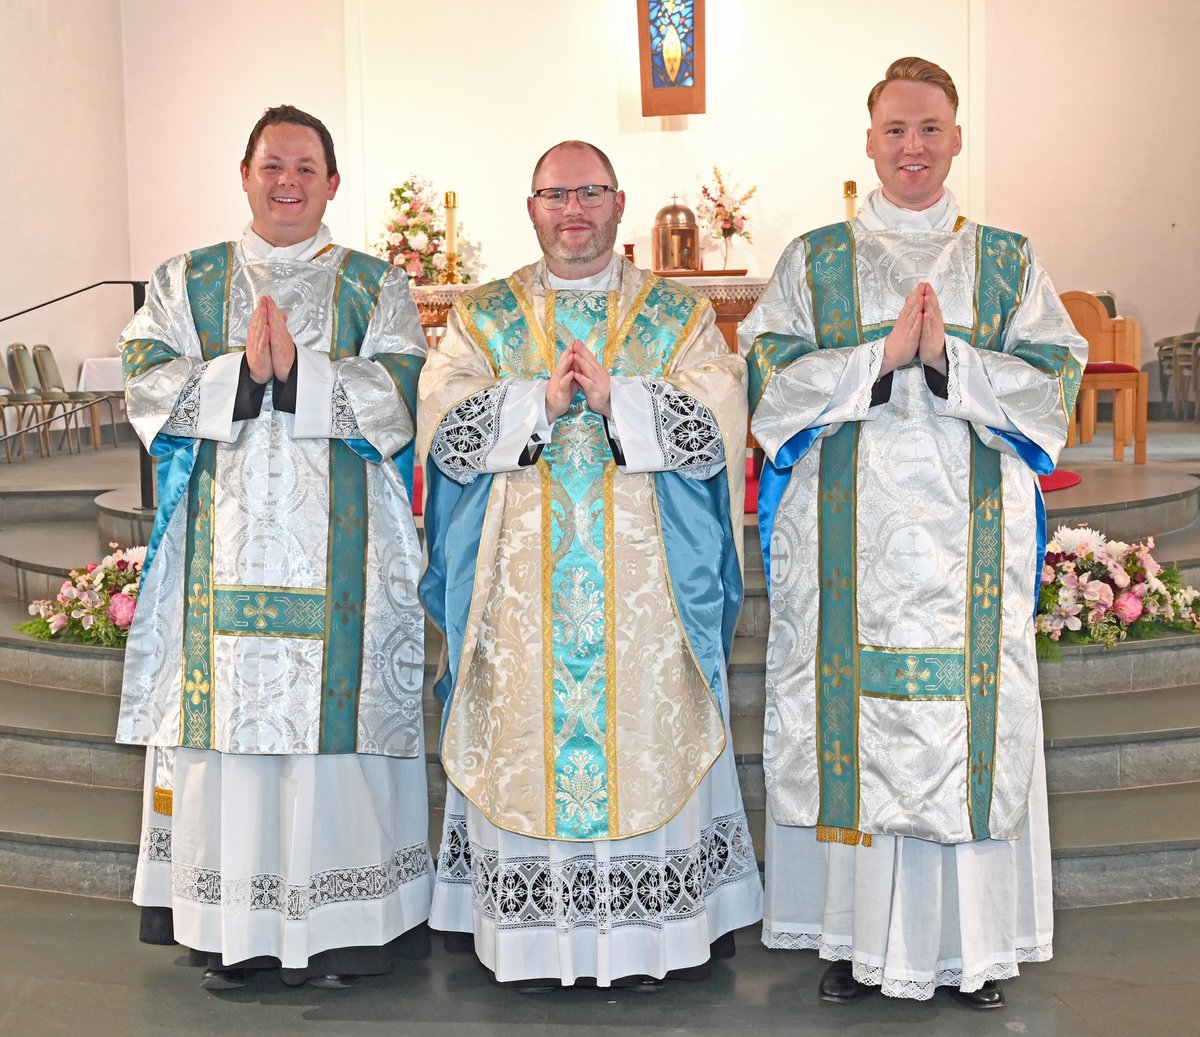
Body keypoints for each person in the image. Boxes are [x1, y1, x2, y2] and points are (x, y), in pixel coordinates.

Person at [739, 57, 1086, 1009]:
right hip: (847, 549)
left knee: (961, 732)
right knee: (857, 730)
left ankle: (972, 951)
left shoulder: (1008, 261)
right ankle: (854, 944)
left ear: (957, 137)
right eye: (895, 129)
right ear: (869, 142)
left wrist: (950, 362)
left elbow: (1054, 387)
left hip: (970, 545)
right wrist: (879, 358)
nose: (913, 147)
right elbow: (768, 384)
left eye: (930, 128)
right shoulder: (813, 261)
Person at [418, 140, 762, 989]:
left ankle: (653, 937)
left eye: (590, 191)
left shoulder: (675, 316)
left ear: (619, 202)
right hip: (520, 594)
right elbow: (441, 424)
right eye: (555, 194)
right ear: (531, 207)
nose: (573, 209)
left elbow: (722, 413)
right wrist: (536, 404)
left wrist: (619, 400)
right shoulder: (485, 316)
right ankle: (532, 941)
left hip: (646, 598)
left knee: (649, 734)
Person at [116, 105, 432, 990]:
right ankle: (235, 930)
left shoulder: (375, 285)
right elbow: (144, 383)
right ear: (245, 175)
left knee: (337, 736)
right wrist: (241, 375)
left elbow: (404, 393)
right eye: (272, 166)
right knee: (226, 735)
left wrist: (300, 373)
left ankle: (348, 930)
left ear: (332, 183)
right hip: (217, 556)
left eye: (305, 168)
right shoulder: (185, 280)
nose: (288, 183)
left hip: (344, 566)